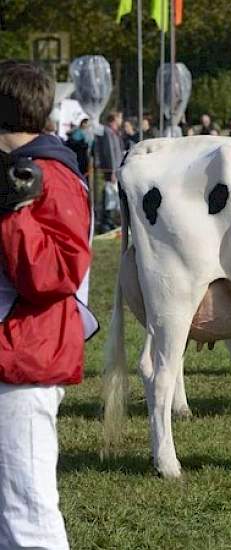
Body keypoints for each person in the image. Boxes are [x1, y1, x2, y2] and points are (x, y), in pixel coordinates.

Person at [0, 60, 96, 550]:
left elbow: (58, 273)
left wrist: (14, 213)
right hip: (13, 353)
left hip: (26, 361)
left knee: (28, 517)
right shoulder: (20, 170)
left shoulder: (50, 175)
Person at [94, 111, 124, 231]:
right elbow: (109, 152)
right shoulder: (107, 132)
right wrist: (112, 170)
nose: (121, 120)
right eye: (120, 117)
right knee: (109, 195)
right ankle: (106, 222)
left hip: (116, 169)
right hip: (111, 170)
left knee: (113, 195)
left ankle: (110, 220)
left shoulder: (114, 133)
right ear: (114, 118)